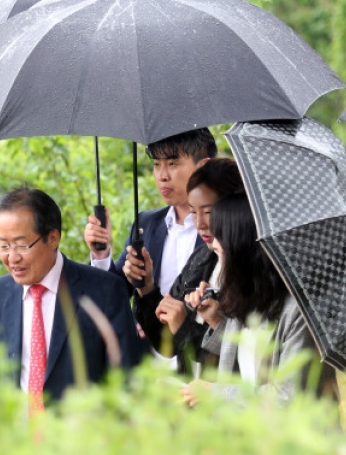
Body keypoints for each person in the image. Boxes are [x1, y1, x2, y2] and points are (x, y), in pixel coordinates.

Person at [0, 186, 140, 410]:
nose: (12, 257)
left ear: (52, 238)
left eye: (21, 245)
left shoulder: (104, 291)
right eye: (3, 246)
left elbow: (126, 382)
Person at [180, 192, 336, 406]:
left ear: (242, 246)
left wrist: (217, 393)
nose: (214, 244)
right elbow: (248, 351)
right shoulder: (246, 297)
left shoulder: (298, 312)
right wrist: (216, 320)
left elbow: (288, 397)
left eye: (221, 237)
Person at [133, 158, 244, 375]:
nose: (199, 223)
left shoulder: (251, 272)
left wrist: (185, 326)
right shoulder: (202, 258)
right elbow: (167, 343)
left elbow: (243, 363)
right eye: (193, 212)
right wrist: (146, 288)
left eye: (209, 212)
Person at [85, 128, 218, 298]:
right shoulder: (147, 224)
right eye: (156, 164)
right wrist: (101, 254)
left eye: (172, 164)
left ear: (203, 166)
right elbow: (113, 295)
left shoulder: (224, 226)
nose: (162, 176)